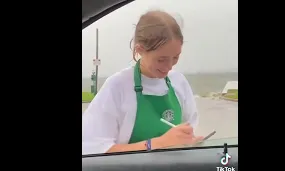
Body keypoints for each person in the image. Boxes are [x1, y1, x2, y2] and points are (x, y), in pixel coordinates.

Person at [82, 10, 204, 155]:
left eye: (175, 58)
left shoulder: (179, 82)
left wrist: (190, 140)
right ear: (140, 50)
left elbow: (188, 131)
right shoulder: (118, 86)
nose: (170, 66)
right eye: (161, 59)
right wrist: (158, 143)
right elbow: (92, 148)